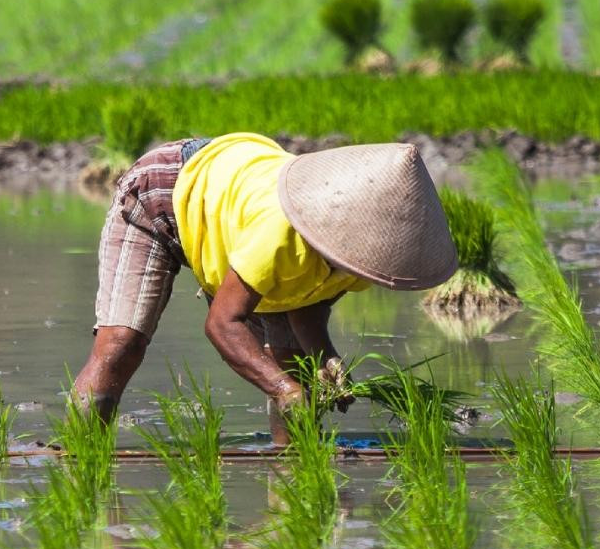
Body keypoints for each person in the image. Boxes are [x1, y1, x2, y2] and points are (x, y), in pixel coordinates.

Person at [73, 133, 458, 440]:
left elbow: (308, 298)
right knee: (121, 344)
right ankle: (82, 462)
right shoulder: (278, 233)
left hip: (232, 211)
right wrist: (281, 390)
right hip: (166, 192)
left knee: (297, 365)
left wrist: (324, 354)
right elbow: (223, 323)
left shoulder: (366, 257)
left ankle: (289, 489)